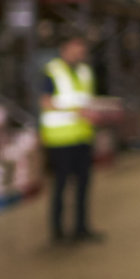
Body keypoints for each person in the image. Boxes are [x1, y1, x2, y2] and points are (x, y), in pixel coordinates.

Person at [40, 35, 103, 244]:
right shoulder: (52, 71)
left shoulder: (85, 72)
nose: (79, 54)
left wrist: (94, 112)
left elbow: (87, 100)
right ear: (64, 48)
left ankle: (81, 228)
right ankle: (57, 233)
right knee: (60, 185)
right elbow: (46, 103)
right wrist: (77, 111)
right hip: (60, 139)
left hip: (83, 136)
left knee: (83, 185)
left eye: (82, 50)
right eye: (75, 49)